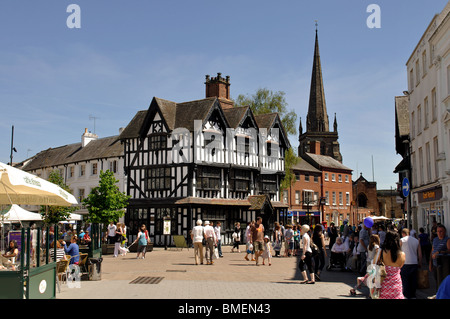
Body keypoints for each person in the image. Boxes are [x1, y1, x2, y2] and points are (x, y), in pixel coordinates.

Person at [379, 231, 405, 299]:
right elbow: (401, 265)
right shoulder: (402, 254)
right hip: (396, 284)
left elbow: (373, 263)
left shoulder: (382, 252)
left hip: (383, 284)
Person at [400, 228, 422, 299]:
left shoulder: (401, 240)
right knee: (413, 280)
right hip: (414, 262)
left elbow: (398, 252)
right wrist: (420, 262)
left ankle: (407, 295)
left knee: (405, 280)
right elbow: (420, 254)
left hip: (405, 263)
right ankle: (413, 295)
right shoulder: (416, 241)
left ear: (403, 233)